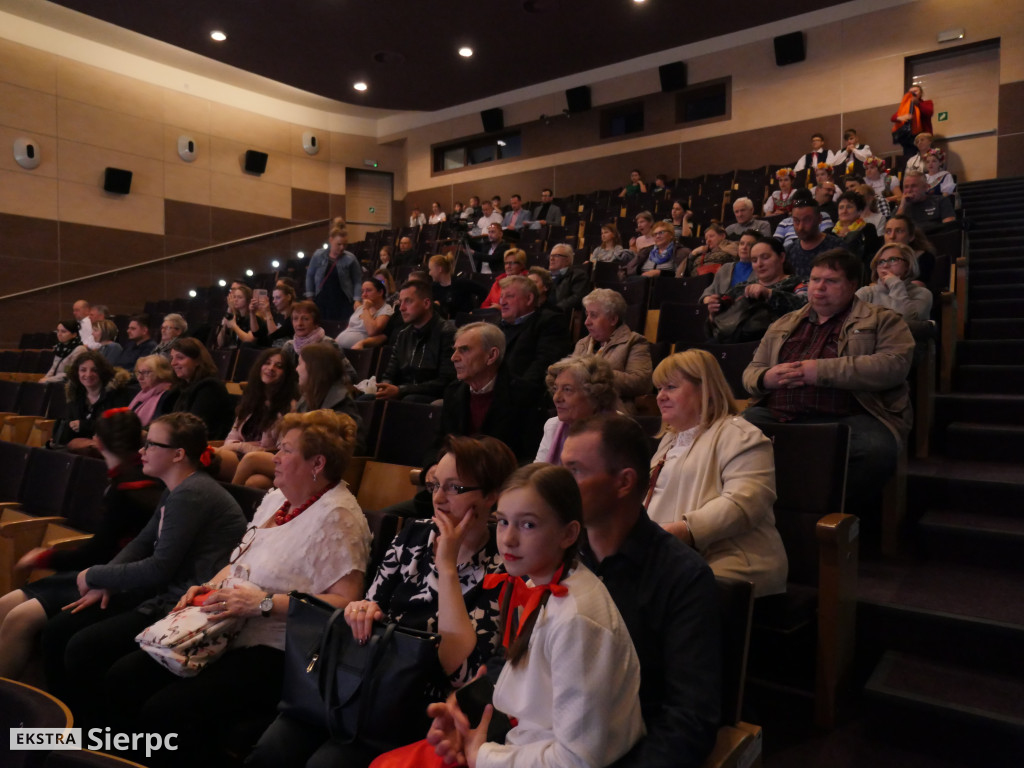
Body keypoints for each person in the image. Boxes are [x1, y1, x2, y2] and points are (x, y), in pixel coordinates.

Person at [105, 410, 369, 767]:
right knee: (124, 675)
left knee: (164, 711)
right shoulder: (279, 497)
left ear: (317, 463)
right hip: (225, 626)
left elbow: (344, 601)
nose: (274, 456)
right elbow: (241, 558)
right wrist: (206, 587)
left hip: (278, 649)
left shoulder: (339, 517)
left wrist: (263, 604)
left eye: (286, 450)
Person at [249, 435, 518, 768]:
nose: (439, 499)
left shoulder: (505, 566)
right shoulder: (415, 535)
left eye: (455, 488)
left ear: (492, 496)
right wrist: (362, 610)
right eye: (435, 486)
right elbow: (369, 606)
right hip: (366, 681)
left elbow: (462, 675)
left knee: (327, 763)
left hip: (419, 706)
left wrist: (447, 566)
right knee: (273, 748)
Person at [410, 463, 644, 768]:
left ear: (569, 533)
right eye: (503, 521)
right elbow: (530, 695)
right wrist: (465, 712)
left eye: (528, 525)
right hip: (519, 744)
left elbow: (577, 759)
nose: (507, 539)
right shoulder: (539, 583)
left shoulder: (576, 619)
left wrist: (483, 755)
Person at [41, 412, 246, 716]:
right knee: (58, 630)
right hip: (163, 592)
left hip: (181, 605)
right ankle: (63, 725)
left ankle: (89, 737)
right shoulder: (176, 488)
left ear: (178, 455)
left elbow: (159, 567)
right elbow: (142, 542)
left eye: (151, 444)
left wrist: (95, 574)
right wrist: (104, 581)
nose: (141, 451)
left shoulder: (192, 494)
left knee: (81, 646)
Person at [561, 414, 722, 768]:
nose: (558, 486)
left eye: (574, 472)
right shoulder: (559, 556)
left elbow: (689, 718)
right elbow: (515, 658)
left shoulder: (683, 577)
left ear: (624, 482)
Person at [742, 249, 915, 524]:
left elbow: (894, 366)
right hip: (781, 413)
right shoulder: (784, 323)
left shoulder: (883, 319)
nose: (819, 287)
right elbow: (751, 373)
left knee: (875, 451)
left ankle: (825, 522)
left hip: (852, 415)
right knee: (730, 438)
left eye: (831, 281)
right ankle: (760, 516)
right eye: (814, 279)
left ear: (852, 285)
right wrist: (766, 378)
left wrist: (819, 371)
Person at [0, 409, 163, 682]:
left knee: (20, 618)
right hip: (99, 569)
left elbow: (101, 551)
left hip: (115, 580)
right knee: (5, 605)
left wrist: (44, 558)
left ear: (97, 441)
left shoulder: (132, 485)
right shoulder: (127, 476)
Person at [646, 349, 787, 597]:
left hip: (731, 560)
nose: (660, 397)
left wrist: (683, 531)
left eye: (670, 387)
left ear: (705, 389)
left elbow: (743, 503)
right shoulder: (669, 441)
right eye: (658, 389)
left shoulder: (741, 435)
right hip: (672, 554)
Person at [233, 344, 360, 489]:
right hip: (298, 459)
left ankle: (227, 508)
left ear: (314, 369)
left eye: (300, 364)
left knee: (251, 459)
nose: (296, 369)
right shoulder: (306, 399)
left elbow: (350, 447)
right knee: (255, 482)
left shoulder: (342, 403)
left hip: (317, 466)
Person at [442, 322, 537, 463]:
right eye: (454, 350)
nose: (454, 358)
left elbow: (530, 457)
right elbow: (439, 443)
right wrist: (432, 466)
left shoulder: (525, 395)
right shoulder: (453, 391)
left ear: (491, 355)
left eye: (464, 350)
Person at [215, 348, 297, 481]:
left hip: (265, 461)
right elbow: (231, 436)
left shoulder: (289, 407)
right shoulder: (251, 397)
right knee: (211, 455)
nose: (271, 368)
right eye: (267, 363)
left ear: (286, 374)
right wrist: (244, 446)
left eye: (279, 366)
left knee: (255, 481)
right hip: (240, 454)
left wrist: (243, 447)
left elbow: (281, 449)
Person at [707, 237, 806, 344]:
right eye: (754, 260)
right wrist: (714, 314)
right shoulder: (740, 288)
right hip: (731, 345)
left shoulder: (797, 283)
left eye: (765, 257)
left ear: (782, 257)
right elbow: (717, 329)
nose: (759, 264)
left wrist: (769, 294)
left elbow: (806, 306)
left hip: (774, 346)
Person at [372, 280, 456, 403]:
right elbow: (389, 375)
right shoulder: (403, 335)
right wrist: (385, 387)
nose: (401, 308)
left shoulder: (447, 333)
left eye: (408, 301)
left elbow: (446, 381)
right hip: (404, 393)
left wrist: (401, 390)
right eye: (400, 302)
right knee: (367, 399)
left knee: (409, 399)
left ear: (426, 303)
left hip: (430, 397)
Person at [572, 288, 652, 411]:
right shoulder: (582, 344)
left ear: (613, 319)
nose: (586, 322)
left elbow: (641, 382)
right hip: (580, 407)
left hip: (613, 411)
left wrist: (596, 373)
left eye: (593, 315)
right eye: (587, 315)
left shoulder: (634, 342)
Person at [535, 355, 617, 465]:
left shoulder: (619, 430)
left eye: (567, 389)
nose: (556, 398)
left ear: (594, 395)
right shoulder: (552, 426)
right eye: (555, 389)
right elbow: (538, 474)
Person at [498, 275, 571, 401]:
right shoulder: (497, 325)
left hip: (523, 397)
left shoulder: (550, 322)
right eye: (501, 296)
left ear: (529, 299)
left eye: (509, 296)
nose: (502, 302)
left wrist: (514, 393)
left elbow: (543, 365)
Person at [56, 350, 134, 450]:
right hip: (79, 447)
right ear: (77, 372)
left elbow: (117, 427)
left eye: (94, 370)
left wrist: (86, 426)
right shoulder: (75, 394)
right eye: (83, 370)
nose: (88, 374)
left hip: (109, 447)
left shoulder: (117, 393)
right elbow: (70, 424)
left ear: (102, 372)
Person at [166, 337, 234, 439]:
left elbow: (193, 428)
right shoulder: (181, 387)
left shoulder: (210, 387)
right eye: (172, 358)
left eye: (180, 358)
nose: (173, 363)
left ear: (197, 361)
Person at [855, 243, 933, 322]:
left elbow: (904, 323)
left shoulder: (922, 294)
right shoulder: (866, 293)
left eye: (893, 260)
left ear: (907, 265)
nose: (885, 265)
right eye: (881, 262)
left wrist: (896, 285)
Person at [305, 226, 362, 325]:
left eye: (345, 245)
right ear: (330, 240)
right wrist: (310, 297)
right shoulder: (318, 255)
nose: (342, 248)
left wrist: (357, 299)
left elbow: (357, 280)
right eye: (339, 244)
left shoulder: (351, 258)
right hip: (322, 299)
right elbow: (310, 276)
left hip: (343, 300)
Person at [784, 197, 844, 281]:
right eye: (796, 221)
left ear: (819, 219)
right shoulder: (789, 251)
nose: (800, 227)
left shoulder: (837, 248)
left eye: (807, 220)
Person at [701, 230, 759, 302]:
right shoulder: (726, 268)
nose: (744, 247)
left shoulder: (761, 270)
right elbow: (708, 292)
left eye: (749, 244)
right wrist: (709, 300)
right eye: (741, 243)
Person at [336, 278, 394, 349]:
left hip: (357, 352)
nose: (364, 295)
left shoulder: (386, 310)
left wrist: (366, 308)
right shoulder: (361, 308)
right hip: (338, 347)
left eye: (368, 291)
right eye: (362, 291)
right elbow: (349, 328)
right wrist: (335, 341)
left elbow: (372, 331)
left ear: (380, 292)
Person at [428, 252, 487, 319]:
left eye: (430, 270)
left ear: (439, 269)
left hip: (464, 321)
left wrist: (477, 311)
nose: (429, 273)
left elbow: (483, 291)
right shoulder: (434, 287)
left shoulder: (461, 283)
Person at [832, 189, 882, 267]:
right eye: (841, 207)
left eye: (849, 207)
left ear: (859, 211)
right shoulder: (830, 232)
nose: (844, 211)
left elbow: (870, 256)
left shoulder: (867, 229)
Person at [127, 354, 175, 426]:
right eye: (139, 372)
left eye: (146, 373)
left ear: (161, 373)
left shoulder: (168, 396)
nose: (140, 378)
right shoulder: (141, 394)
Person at [217, 283, 265, 348]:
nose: (235, 300)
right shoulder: (236, 318)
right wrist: (229, 311)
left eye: (240, 297)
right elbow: (220, 343)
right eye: (234, 297)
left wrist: (234, 326)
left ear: (248, 300)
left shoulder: (255, 318)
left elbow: (249, 340)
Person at [892, 84, 934, 157]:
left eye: (915, 91)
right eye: (910, 92)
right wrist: (900, 117)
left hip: (924, 137)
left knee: (927, 158)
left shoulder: (926, 103)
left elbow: (929, 112)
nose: (912, 94)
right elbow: (893, 117)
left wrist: (917, 103)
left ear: (921, 93)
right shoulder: (906, 107)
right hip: (909, 140)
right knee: (910, 160)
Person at [547, 243, 589, 313]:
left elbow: (577, 298)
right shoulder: (544, 275)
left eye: (556, 256)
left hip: (557, 314)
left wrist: (554, 309)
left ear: (567, 260)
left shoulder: (578, 275)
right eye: (551, 256)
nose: (551, 259)